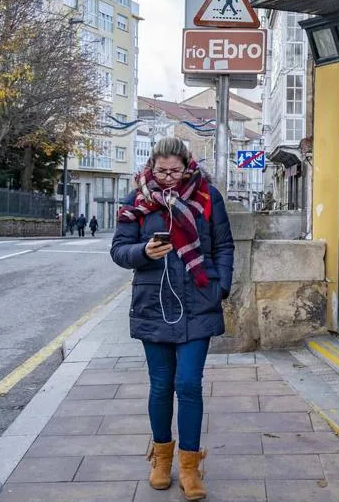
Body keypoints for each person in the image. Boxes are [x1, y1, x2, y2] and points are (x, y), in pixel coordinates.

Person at [110, 137, 233, 501]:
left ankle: (190, 466)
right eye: (161, 171)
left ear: (187, 165)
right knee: (161, 385)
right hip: (154, 302)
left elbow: (224, 245)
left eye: (175, 171)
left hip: (198, 300)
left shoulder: (208, 197)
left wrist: (220, 286)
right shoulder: (137, 200)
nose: (167, 178)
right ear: (152, 166)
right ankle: (161, 459)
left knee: (189, 384)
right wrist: (144, 252)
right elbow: (118, 250)